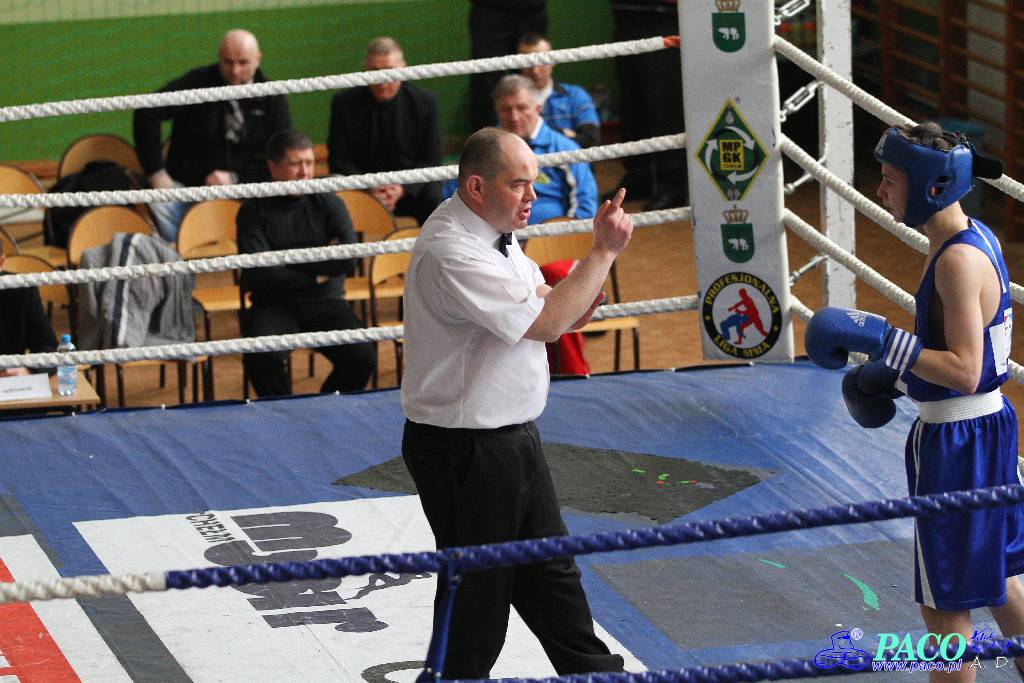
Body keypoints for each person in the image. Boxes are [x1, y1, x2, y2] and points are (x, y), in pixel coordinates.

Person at [400, 127, 631, 678]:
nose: (532, 195)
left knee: (552, 576)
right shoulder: (452, 249)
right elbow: (546, 323)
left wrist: (577, 297)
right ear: (477, 187)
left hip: (510, 438)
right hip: (465, 449)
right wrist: (601, 252)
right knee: (478, 599)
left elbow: (546, 302)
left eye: (534, 182)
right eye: (519, 184)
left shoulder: (495, 232)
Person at [804, 122, 1023, 680]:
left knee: (945, 607)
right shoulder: (972, 237)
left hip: (957, 442)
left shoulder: (956, 261)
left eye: (890, 179)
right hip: (988, 429)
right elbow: (971, 359)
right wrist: (897, 377)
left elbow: (966, 370)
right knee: (996, 574)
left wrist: (886, 342)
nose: (880, 190)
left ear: (930, 185)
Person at [237, 130, 375, 398]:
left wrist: (283, 261)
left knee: (362, 356)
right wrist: (317, 269)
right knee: (259, 356)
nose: (304, 172)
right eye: (295, 164)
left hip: (326, 302)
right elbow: (260, 274)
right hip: (273, 304)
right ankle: (285, 413)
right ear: (273, 168)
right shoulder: (252, 210)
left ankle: (324, 408)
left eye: (309, 163)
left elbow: (347, 259)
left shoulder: (329, 201)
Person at [133, 29, 293, 242]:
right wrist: (156, 173)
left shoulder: (273, 97)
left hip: (250, 196)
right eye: (228, 62)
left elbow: (281, 156)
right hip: (190, 193)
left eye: (243, 63)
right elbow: (146, 111)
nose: (235, 71)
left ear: (258, 59)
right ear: (219, 58)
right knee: (159, 201)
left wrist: (236, 180)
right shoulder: (196, 83)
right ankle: (181, 251)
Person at [327, 37, 442, 225]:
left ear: (403, 69)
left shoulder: (425, 102)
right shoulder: (344, 104)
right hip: (362, 187)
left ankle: (428, 243)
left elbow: (432, 160)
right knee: (333, 189)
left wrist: (401, 188)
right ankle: (348, 245)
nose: (382, 80)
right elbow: (338, 160)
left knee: (432, 192)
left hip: (407, 190)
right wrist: (369, 186)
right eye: (374, 71)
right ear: (365, 71)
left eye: (389, 70)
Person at [608, 0, 686, 211]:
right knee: (631, 105)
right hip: (625, 17)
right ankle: (638, 175)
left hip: (665, 21)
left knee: (665, 108)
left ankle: (672, 185)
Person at [494, 74, 597, 224]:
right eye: (506, 109)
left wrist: (563, 235)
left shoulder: (564, 149)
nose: (514, 117)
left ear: (538, 108)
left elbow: (585, 206)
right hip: (493, 234)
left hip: (550, 235)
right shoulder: (486, 149)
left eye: (522, 108)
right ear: (497, 110)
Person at [468, 0, 548, 132]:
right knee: (485, 81)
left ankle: (538, 135)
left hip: (532, 9)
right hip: (489, 9)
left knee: (534, 73)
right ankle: (486, 140)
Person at [517, 32, 601, 148]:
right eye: (528, 63)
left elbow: (590, 140)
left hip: (572, 160)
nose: (535, 70)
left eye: (541, 61)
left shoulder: (576, 95)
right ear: (518, 64)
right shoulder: (511, 102)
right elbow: (506, 146)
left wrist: (538, 136)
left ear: (553, 60)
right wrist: (563, 133)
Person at [0, 251, 57, 376]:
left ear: (1, 262)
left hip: (6, 383)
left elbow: (48, 348)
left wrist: (28, 370)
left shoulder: (20, 289)